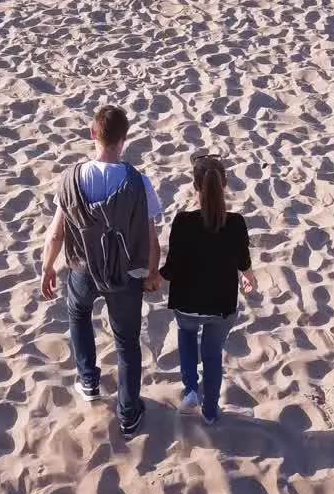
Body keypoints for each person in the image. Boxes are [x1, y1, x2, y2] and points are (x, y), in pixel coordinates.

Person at [40, 105, 163, 437]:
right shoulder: (138, 182)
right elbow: (152, 236)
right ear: (124, 139)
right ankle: (128, 412)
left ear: (93, 134)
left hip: (83, 269)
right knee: (127, 343)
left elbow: (56, 232)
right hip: (125, 275)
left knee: (78, 314)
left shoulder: (71, 178)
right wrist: (152, 273)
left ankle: (88, 381)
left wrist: (48, 266)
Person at [160, 152, 255, 425]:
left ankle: (191, 389)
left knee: (187, 336)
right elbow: (243, 261)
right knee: (212, 355)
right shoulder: (236, 222)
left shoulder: (182, 221)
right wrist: (248, 277)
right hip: (220, 306)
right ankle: (211, 412)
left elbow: (172, 268)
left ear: (195, 186)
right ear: (224, 185)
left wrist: (154, 278)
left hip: (187, 304)